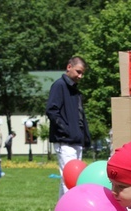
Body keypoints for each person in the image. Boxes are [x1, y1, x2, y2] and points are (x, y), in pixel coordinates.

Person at [46, 56, 91, 198]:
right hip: (65, 141)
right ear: (69, 67)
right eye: (78, 71)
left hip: (76, 141)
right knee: (71, 179)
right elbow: (52, 111)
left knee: (70, 178)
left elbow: (79, 116)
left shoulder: (74, 91)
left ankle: (63, 209)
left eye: (82, 73)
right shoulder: (59, 85)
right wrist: (66, 130)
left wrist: (85, 136)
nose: (80, 76)